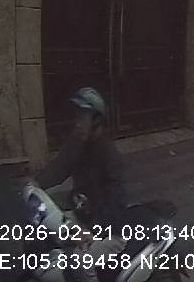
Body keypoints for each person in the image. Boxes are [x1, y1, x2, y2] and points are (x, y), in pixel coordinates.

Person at [30, 88, 128, 282]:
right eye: (76, 118)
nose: (77, 124)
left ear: (97, 121)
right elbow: (60, 168)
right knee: (44, 235)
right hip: (81, 217)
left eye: (83, 119)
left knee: (80, 262)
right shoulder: (77, 144)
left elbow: (116, 202)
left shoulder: (110, 155)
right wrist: (35, 184)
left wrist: (93, 231)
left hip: (109, 230)